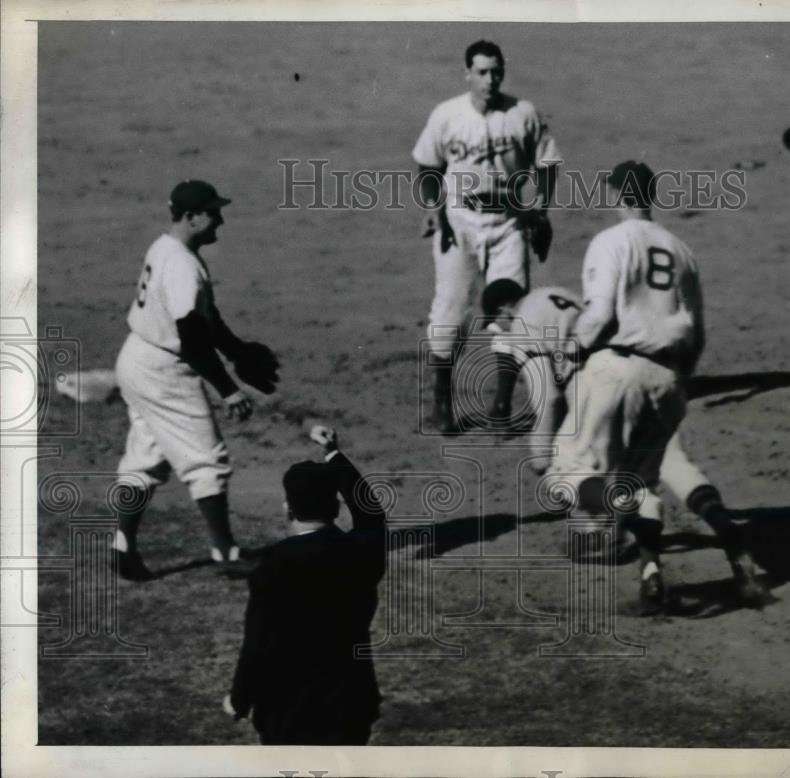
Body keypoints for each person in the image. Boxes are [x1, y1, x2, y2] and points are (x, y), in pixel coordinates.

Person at [541, 161, 767, 614]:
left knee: (561, 475)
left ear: (614, 195)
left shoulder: (610, 241)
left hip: (616, 370)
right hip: (669, 379)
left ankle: (607, 511)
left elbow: (601, 315)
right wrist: (678, 382)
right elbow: (697, 334)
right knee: (643, 484)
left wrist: (568, 354)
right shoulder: (681, 249)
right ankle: (651, 578)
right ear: (650, 197)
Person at [482, 278, 768, 612]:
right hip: (650, 370)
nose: (497, 329)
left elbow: (549, 396)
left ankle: (607, 533)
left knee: (561, 474)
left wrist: (540, 451)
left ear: (503, 309)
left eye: (495, 322)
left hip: (601, 386)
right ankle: (725, 533)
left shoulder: (520, 323)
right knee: (669, 464)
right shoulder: (560, 295)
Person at [111, 180, 280, 581]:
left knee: (146, 457)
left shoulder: (166, 248)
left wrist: (236, 351)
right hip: (164, 371)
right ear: (191, 217)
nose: (219, 219)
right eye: (212, 211)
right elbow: (191, 337)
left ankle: (123, 546)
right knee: (207, 459)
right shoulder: (184, 266)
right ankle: (226, 553)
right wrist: (229, 389)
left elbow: (207, 321)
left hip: (136, 358)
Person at [413, 39, 562, 433]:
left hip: (509, 221)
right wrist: (432, 209)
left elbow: (547, 163)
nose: (490, 79)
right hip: (458, 220)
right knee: (449, 311)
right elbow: (427, 165)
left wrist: (541, 212)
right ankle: (442, 406)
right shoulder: (447, 115)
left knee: (510, 312)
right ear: (468, 74)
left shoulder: (523, 114)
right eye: (481, 71)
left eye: (496, 71)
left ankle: (500, 407)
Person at [225, 425, 387, 745]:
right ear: (336, 508)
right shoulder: (361, 552)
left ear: (288, 509)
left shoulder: (272, 567)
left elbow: (258, 644)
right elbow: (372, 516)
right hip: (350, 704)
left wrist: (239, 699)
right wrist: (334, 455)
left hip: (288, 712)